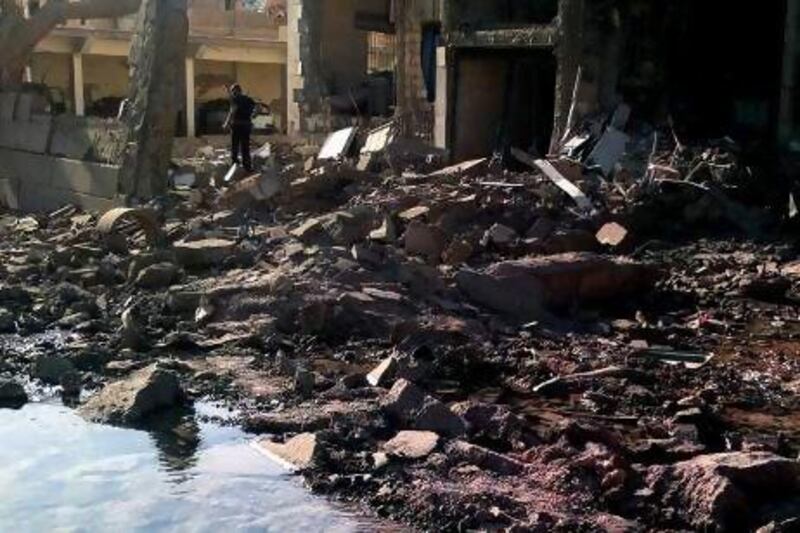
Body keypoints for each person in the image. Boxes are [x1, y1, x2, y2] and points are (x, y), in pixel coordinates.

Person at [223, 84, 256, 172]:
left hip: (237, 125)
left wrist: (226, 123)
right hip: (246, 125)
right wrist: (251, 116)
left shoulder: (235, 99)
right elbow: (257, 108)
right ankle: (247, 166)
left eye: (232, 91)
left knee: (235, 145)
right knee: (245, 146)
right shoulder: (249, 99)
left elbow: (232, 111)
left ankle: (235, 163)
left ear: (235, 91)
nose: (232, 93)